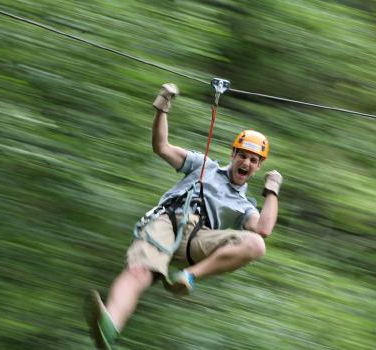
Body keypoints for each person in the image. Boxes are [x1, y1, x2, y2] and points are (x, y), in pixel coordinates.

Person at [86, 83, 282, 350]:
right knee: (139, 272)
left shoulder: (244, 204)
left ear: (259, 166)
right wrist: (163, 106)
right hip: (167, 222)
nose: (246, 163)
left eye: (253, 160)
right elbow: (161, 147)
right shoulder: (204, 166)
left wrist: (272, 192)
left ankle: (188, 277)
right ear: (233, 154)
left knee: (256, 245)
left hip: (200, 240)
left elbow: (263, 230)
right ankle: (109, 328)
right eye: (242, 156)